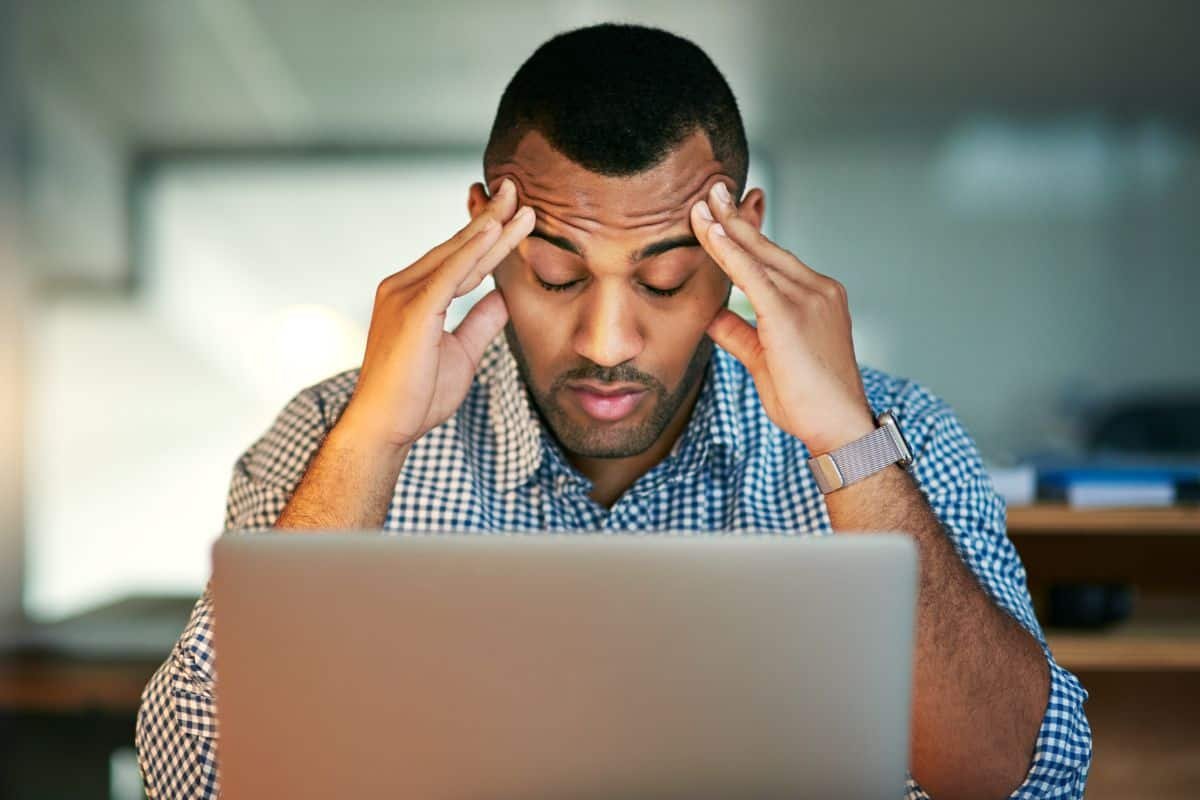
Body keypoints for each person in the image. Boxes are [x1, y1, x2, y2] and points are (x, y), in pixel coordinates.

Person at [135, 23, 1091, 800]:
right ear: (484, 229)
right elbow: (202, 781)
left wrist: (846, 443)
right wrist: (370, 445)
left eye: (667, 281)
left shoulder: (896, 436)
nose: (606, 340)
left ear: (742, 238)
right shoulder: (328, 435)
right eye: (555, 274)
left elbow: (1021, 782)